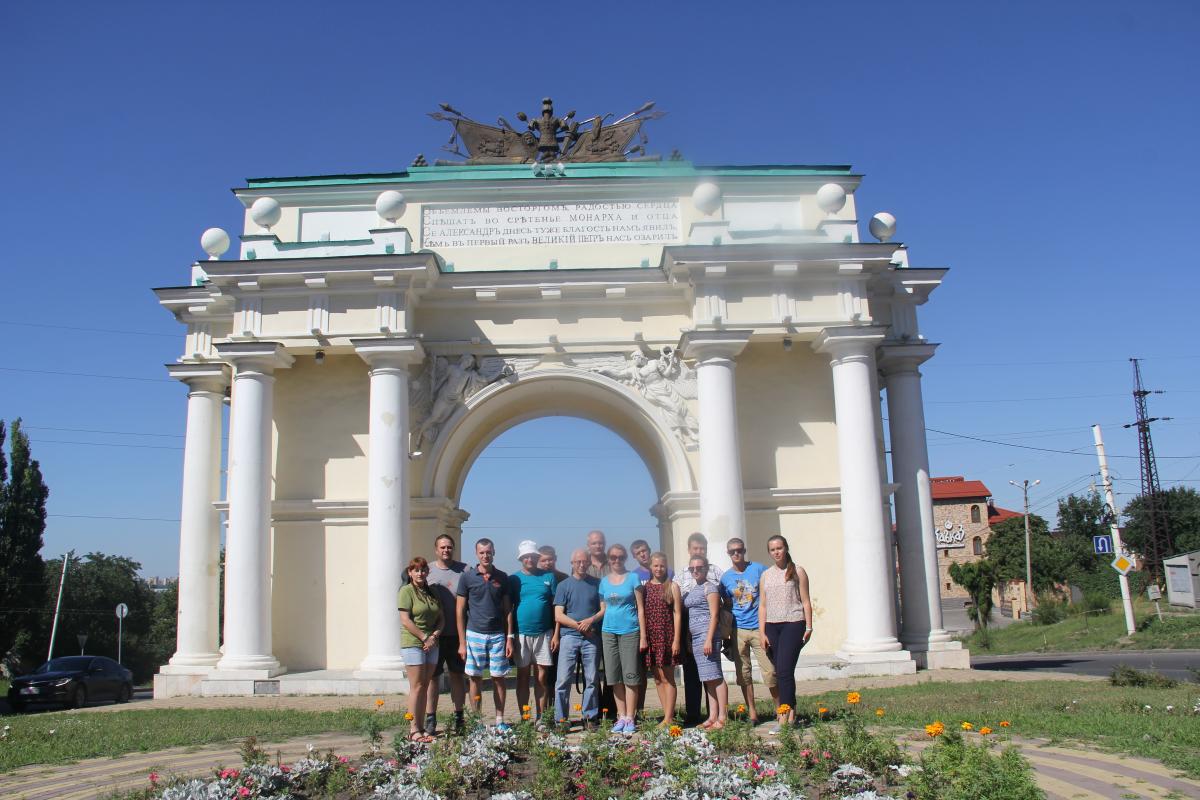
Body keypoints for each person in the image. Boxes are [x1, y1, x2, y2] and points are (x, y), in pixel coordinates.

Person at [457, 538, 515, 730]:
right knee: (475, 678)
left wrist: (509, 638)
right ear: (476, 554)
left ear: (493, 552)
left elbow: (508, 610)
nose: (485, 555)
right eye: (481, 552)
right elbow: (460, 611)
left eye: (488, 552)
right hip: (474, 633)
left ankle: (500, 720)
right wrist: (462, 642)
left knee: (499, 677)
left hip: (498, 634)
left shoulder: (502, 577)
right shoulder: (467, 577)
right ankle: (477, 721)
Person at [719, 537, 776, 724]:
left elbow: (770, 593)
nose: (736, 554)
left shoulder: (759, 569)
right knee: (743, 673)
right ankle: (752, 712)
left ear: (745, 550)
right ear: (728, 554)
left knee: (769, 670)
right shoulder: (726, 578)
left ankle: (780, 709)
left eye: (739, 550)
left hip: (759, 627)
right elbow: (726, 604)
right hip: (738, 630)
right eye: (732, 551)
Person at [759, 534, 812, 732]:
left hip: (794, 623)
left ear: (786, 548)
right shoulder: (766, 575)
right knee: (782, 671)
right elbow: (762, 606)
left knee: (784, 671)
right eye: (772, 549)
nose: (776, 552)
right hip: (772, 626)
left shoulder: (798, 571)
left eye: (779, 548)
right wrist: (762, 631)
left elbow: (805, 600)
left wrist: (809, 626)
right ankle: (792, 715)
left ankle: (784, 716)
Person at [673, 532, 723, 724]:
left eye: (702, 548)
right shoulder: (682, 574)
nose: (699, 551)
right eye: (695, 548)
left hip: (709, 624)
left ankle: (716, 713)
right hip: (689, 624)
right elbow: (676, 600)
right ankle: (693, 713)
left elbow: (723, 599)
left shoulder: (716, 572)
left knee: (712, 672)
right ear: (689, 550)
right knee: (693, 672)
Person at [598, 544, 646, 735]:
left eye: (620, 557)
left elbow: (641, 608)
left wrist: (643, 636)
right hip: (608, 632)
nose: (616, 560)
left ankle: (630, 717)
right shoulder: (603, 582)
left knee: (631, 676)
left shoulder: (633, 578)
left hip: (630, 631)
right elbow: (603, 609)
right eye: (612, 557)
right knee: (614, 676)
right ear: (608, 559)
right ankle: (621, 715)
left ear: (625, 558)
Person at [509, 540, 558, 722]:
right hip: (521, 634)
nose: (530, 559)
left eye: (533, 556)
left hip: (544, 632)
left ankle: (541, 718)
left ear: (537, 557)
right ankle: (525, 717)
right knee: (522, 676)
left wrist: (556, 632)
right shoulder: (514, 579)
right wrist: (510, 635)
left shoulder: (548, 577)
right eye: (526, 557)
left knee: (541, 677)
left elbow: (556, 607)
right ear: (521, 558)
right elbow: (509, 607)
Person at [553, 549, 602, 729]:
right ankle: (561, 719)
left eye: (585, 561)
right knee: (563, 680)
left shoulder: (597, 583)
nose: (582, 565)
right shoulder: (563, 585)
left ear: (589, 563)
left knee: (592, 678)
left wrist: (591, 621)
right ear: (572, 563)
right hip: (569, 637)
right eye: (578, 562)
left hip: (591, 639)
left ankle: (589, 717)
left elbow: (602, 609)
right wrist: (579, 626)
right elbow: (558, 615)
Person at [398, 557, 443, 742]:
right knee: (416, 686)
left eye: (423, 570)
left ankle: (422, 726)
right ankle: (413, 729)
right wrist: (424, 637)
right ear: (410, 572)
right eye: (416, 570)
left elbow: (442, 618)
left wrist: (433, 637)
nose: (420, 573)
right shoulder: (406, 591)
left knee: (425, 685)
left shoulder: (432, 592)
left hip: (432, 643)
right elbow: (405, 620)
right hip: (413, 643)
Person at [426, 534, 467, 735]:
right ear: (436, 549)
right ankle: (430, 718)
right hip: (435, 635)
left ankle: (459, 716)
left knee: (457, 676)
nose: (446, 550)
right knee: (433, 678)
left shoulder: (465, 570)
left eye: (449, 547)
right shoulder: (428, 571)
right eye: (442, 547)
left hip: (457, 634)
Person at [682, 554, 727, 730]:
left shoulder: (711, 588)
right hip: (696, 638)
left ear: (706, 568)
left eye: (699, 568)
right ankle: (712, 716)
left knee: (716, 676)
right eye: (692, 568)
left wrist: (709, 639)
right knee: (707, 678)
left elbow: (715, 615)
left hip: (708, 637)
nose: (695, 571)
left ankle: (723, 716)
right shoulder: (694, 589)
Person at [642, 551, 682, 727]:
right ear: (650, 567)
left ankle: (669, 716)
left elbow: (678, 614)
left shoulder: (672, 586)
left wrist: (676, 640)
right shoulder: (645, 588)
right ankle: (666, 714)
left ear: (667, 567)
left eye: (662, 566)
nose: (659, 569)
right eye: (656, 565)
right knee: (657, 678)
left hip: (667, 636)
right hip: (651, 636)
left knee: (668, 677)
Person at [538, 545, 568, 703]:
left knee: (558, 671)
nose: (547, 563)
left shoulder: (563, 578)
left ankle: (558, 707)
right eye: (543, 560)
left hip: (560, 630)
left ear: (555, 559)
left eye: (550, 559)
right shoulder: (536, 578)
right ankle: (545, 709)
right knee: (543, 672)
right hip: (541, 629)